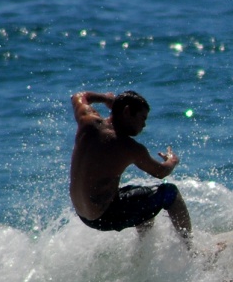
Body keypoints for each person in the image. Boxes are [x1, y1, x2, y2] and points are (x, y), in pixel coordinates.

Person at [69, 89, 192, 244]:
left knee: (142, 196)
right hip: (105, 216)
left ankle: (144, 251)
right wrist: (172, 160)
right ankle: (191, 250)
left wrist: (106, 98)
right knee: (169, 192)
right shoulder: (129, 147)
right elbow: (161, 172)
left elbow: (79, 96)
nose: (144, 125)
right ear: (127, 112)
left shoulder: (87, 121)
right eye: (142, 118)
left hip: (82, 213)